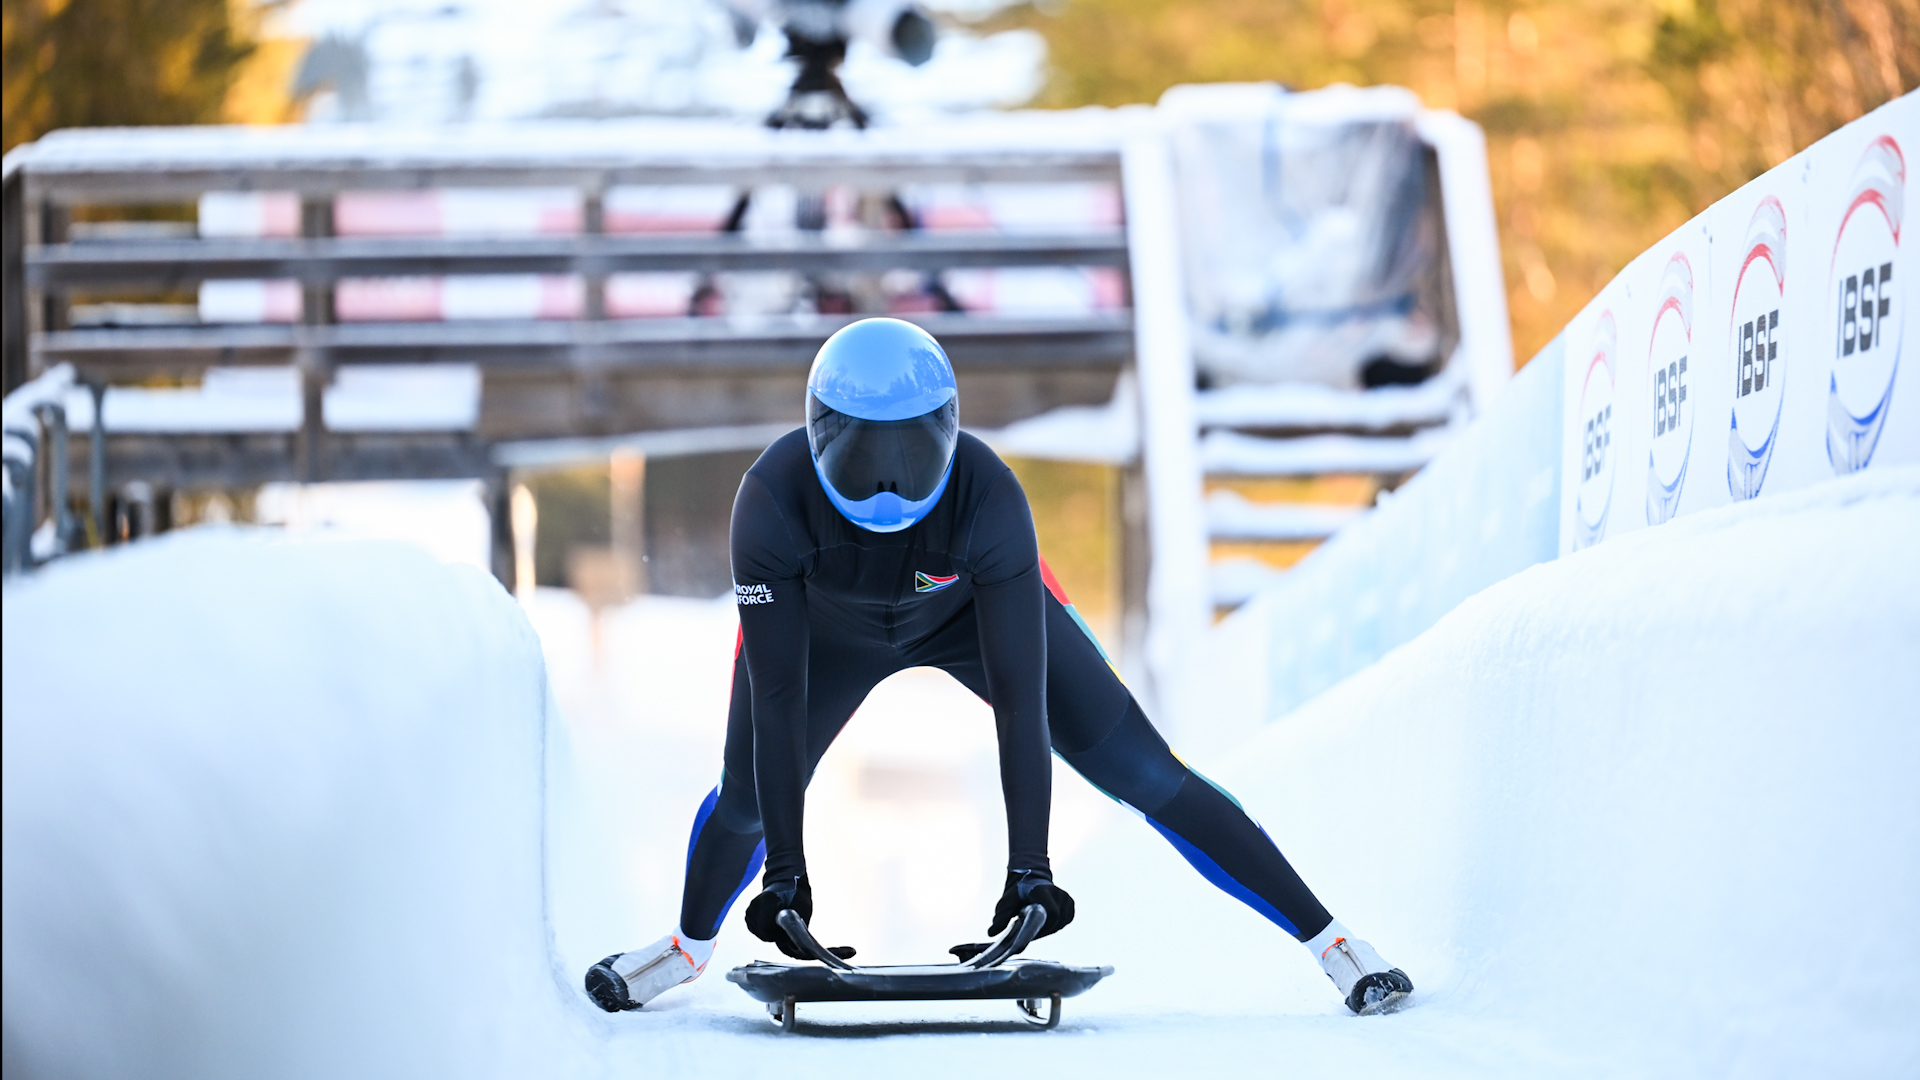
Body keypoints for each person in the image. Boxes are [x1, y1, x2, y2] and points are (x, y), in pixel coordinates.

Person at [584, 318, 1413, 1016]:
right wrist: (787, 877)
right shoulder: (768, 500)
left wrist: (1031, 873)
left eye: (911, 450)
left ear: (948, 428)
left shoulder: (989, 493)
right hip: (822, 635)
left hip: (968, 617)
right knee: (746, 799)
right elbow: (777, 695)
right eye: (861, 450)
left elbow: (1021, 705)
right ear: (816, 433)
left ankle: (1335, 943)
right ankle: (686, 949)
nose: (885, 483)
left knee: (1145, 772)